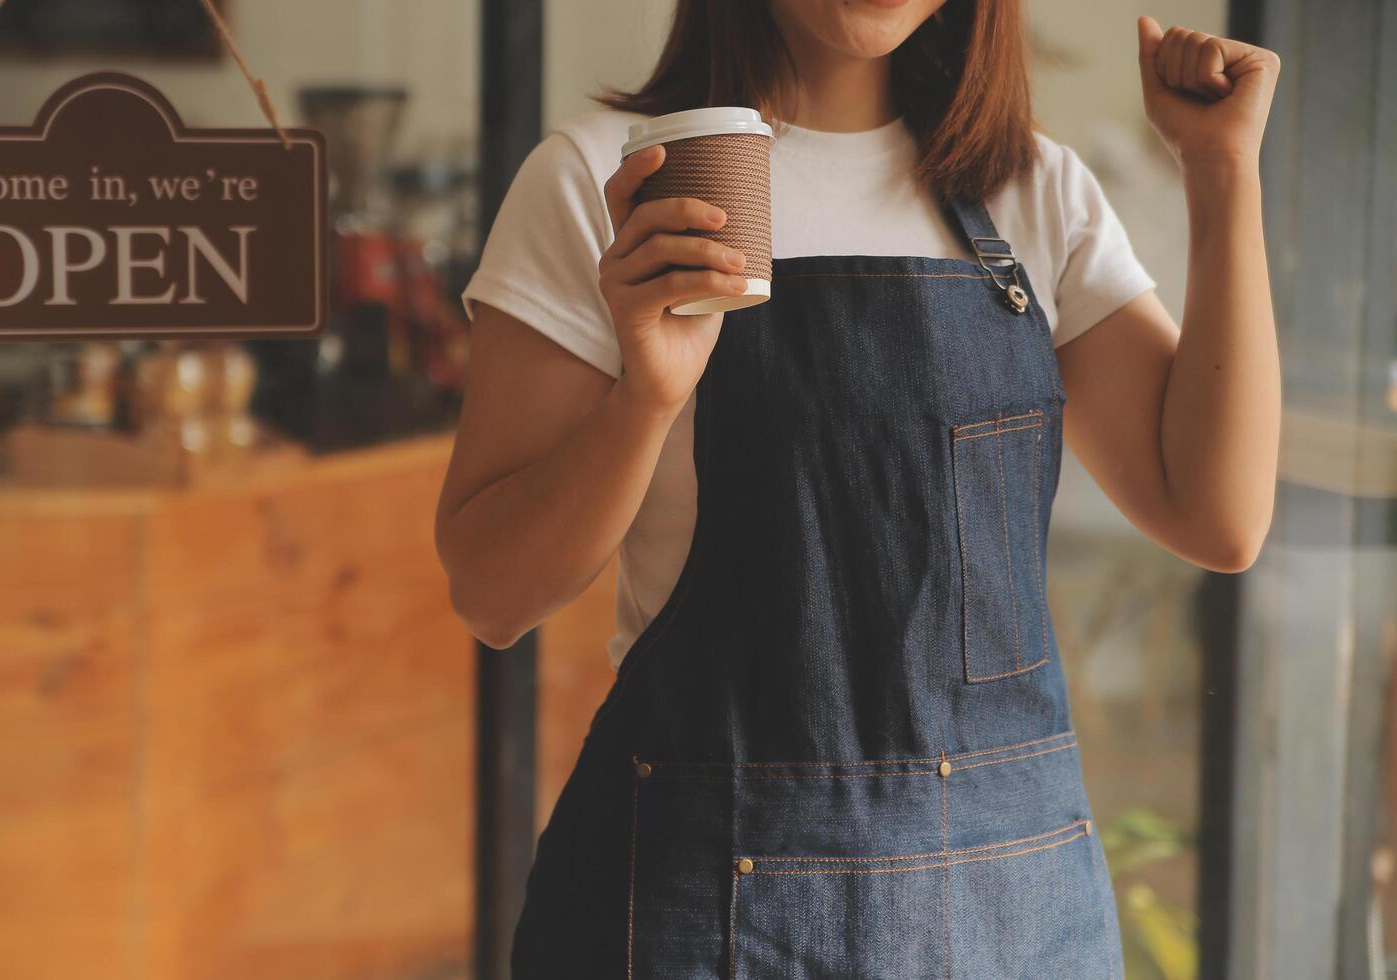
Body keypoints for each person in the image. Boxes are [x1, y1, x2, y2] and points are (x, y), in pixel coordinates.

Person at [436, 1, 1281, 976]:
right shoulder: (611, 180)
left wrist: (1220, 172)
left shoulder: (1034, 192)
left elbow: (1219, 516)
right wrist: (647, 396)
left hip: (1012, 911)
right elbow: (491, 594)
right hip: (701, 909)